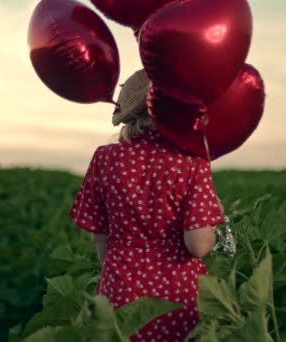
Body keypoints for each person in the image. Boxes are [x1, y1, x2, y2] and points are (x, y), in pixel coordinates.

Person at [69, 69, 225, 341]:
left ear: (132, 115)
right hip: (180, 295)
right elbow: (198, 245)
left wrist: (122, 269)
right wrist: (213, 223)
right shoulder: (191, 161)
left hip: (119, 288)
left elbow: (99, 235)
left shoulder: (105, 158)